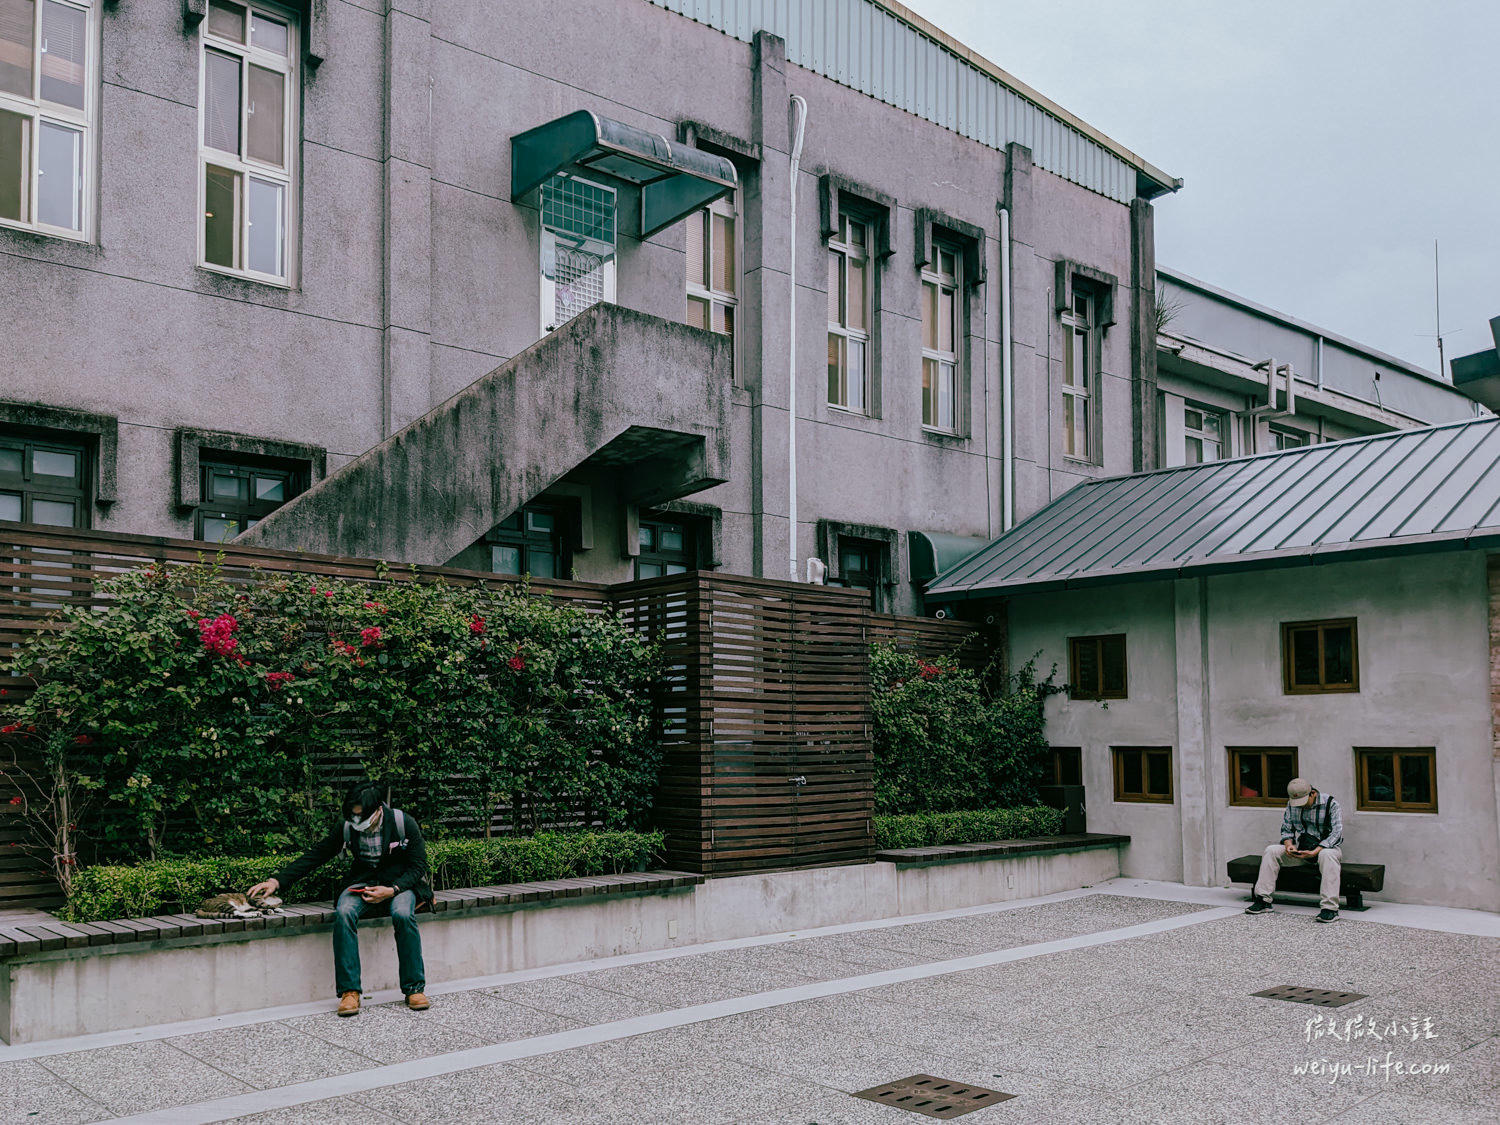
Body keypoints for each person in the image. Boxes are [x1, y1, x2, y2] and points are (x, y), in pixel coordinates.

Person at [249, 784, 433, 1015]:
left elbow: (418, 866)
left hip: (399, 884)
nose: (357, 820)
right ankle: (349, 992)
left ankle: (414, 988)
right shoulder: (347, 826)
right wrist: (276, 881)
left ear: (377, 810)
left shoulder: (402, 822)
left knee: (403, 914)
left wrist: (393, 889)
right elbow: (317, 854)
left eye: (361, 815)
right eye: (353, 815)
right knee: (345, 912)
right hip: (362, 883)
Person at [1245, 776, 1343, 922]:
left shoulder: (1331, 804)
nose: (1300, 806)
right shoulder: (1292, 805)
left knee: (1327, 855)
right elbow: (1286, 830)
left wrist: (1316, 851)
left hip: (1325, 850)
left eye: (1303, 801)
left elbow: (1337, 834)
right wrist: (1289, 845)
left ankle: (1330, 909)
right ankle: (1263, 901)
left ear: (1313, 793)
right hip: (1302, 851)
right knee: (1271, 850)